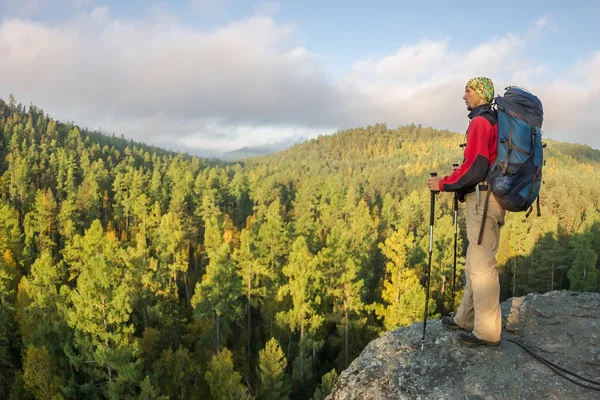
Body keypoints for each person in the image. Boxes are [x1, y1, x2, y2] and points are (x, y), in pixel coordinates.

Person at [427, 77, 505, 347]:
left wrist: (444, 184)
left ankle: (487, 332)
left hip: (483, 201)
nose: (464, 96)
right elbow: (474, 164)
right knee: (475, 261)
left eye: (468, 91)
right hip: (487, 198)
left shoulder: (481, 123)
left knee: (482, 266)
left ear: (481, 94)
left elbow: (475, 169)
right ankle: (466, 318)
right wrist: (451, 180)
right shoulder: (489, 121)